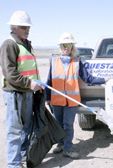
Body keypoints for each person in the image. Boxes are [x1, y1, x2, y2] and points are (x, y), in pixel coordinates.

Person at [45, 32, 106, 159]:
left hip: (71, 101)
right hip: (57, 101)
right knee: (58, 124)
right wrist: (47, 98)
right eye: (63, 45)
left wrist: (104, 79)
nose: (65, 48)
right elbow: (49, 81)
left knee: (68, 125)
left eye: (68, 45)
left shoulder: (78, 62)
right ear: (60, 46)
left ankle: (68, 148)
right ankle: (60, 144)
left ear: (72, 47)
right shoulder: (54, 61)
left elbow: (88, 78)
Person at [0, 10, 43, 168]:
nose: (27, 30)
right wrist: (29, 84)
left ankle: (24, 158)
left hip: (27, 93)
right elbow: (10, 73)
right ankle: (14, 164)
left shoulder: (26, 43)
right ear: (14, 27)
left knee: (26, 128)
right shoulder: (9, 44)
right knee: (14, 131)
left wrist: (36, 84)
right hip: (15, 93)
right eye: (23, 27)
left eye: (28, 27)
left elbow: (29, 68)